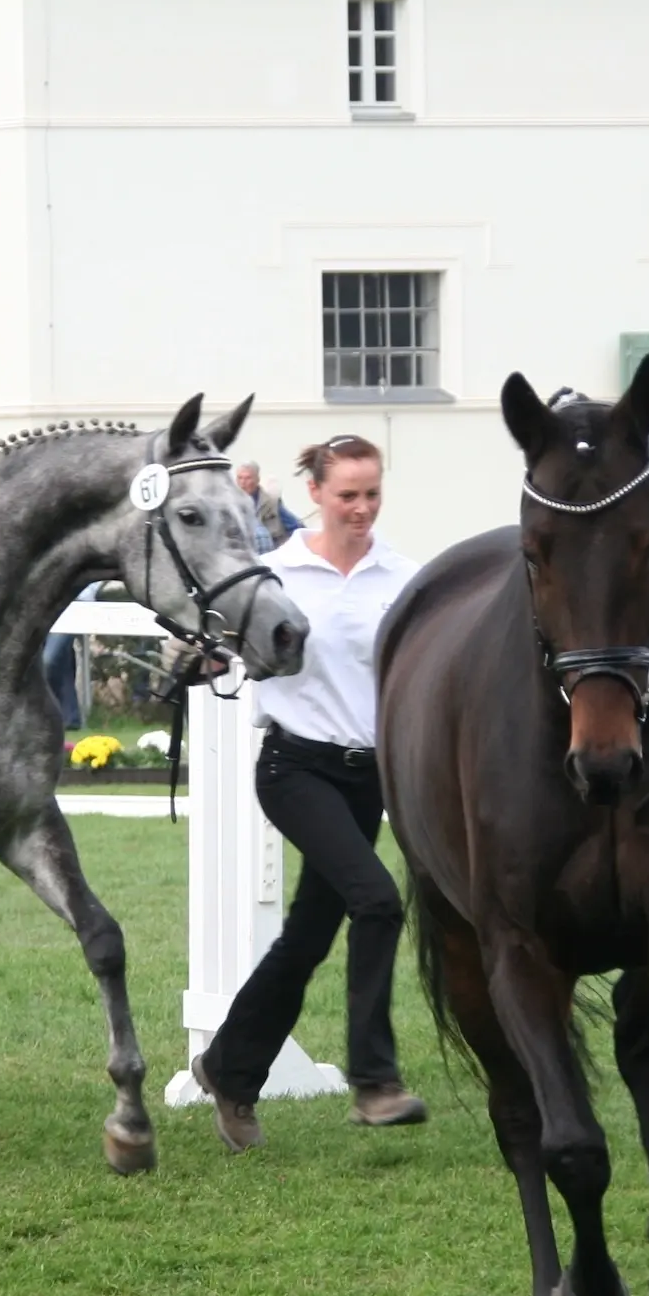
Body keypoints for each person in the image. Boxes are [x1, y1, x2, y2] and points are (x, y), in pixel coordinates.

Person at [190, 434, 427, 1149]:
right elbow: (222, 642)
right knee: (377, 901)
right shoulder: (275, 573)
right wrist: (208, 655)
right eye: (347, 495)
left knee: (306, 937)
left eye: (371, 494)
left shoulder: (403, 579)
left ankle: (228, 1069)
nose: (361, 508)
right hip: (294, 769)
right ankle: (374, 1080)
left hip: (369, 777)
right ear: (316, 494)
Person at [235, 460, 303, 550]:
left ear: (257, 479)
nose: (243, 483)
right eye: (240, 478)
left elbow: (298, 529)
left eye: (247, 478)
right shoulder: (231, 506)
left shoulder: (272, 502)